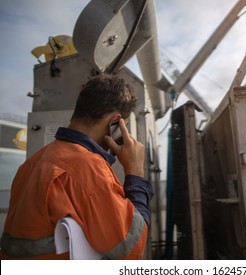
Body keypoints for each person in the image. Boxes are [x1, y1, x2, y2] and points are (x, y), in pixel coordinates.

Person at [0, 74, 154, 259]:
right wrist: (135, 171)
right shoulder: (88, 168)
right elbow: (131, 249)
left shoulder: (33, 162)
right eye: (124, 128)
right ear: (115, 121)